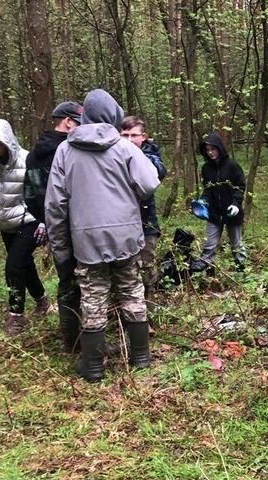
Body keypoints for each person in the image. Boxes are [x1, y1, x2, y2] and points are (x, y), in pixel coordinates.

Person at [45, 89, 160, 382]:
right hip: (127, 236)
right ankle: (141, 358)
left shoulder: (65, 150)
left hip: (87, 241)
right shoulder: (124, 148)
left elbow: (55, 206)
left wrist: (61, 250)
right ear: (113, 116)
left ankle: (94, 366)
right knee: (132, 290)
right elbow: (149, 183)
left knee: (93, 298)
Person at [0, 119, 49, 335]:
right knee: (25, 264)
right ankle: (42, 301)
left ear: (7, 141)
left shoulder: (26, 160)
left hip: (29, 221)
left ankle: (16, 317)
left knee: (13, 266)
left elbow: (42, 191)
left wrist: (44, 221)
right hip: (5, 223)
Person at [25, 101, 82, 350]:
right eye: (80, 122)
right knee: (88, 280)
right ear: (68, 122)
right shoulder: (70, 151)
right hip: (78, 225)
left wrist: (47, 222)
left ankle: (71, 340)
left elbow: (30, 194)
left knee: (67, 281)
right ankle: (87, 339)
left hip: (54, 227)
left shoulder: (35, 153)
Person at [120, 116, 168, 295]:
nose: (129, 140)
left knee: (147, 265)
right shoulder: (115, 154)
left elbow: (158, 171)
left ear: (144, 136)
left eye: (134, 135)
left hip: (146, 223)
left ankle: (150, 304)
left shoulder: (150, 154)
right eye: (125, 135)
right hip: (122, 222)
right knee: (126, 270)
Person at [189, 132, 247, 273]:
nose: (210, 153)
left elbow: (240, 187)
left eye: (213, 149)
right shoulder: (206, 168)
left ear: (220, 148)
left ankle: (242, 271)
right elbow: (208, 189)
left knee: (236, 245)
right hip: (214, 213)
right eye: (207, 150)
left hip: (232, 212)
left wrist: (235, 204)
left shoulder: (232, 166)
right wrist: (203, 201)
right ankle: (207, 272)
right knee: (210, 244)